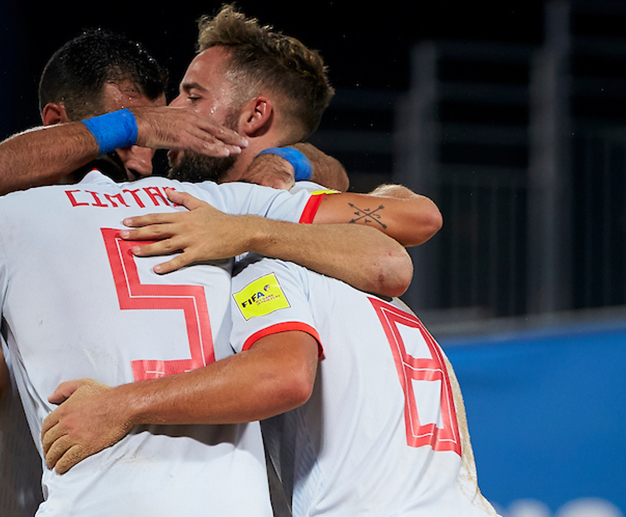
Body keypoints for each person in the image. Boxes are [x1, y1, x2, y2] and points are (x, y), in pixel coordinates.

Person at [39, 7, 499, 515]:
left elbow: (281, 376)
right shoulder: (322, 234)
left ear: (254, 116)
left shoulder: (260, 251)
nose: (172, 112)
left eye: (193, 96)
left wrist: (120, 405)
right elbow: (404, 225)